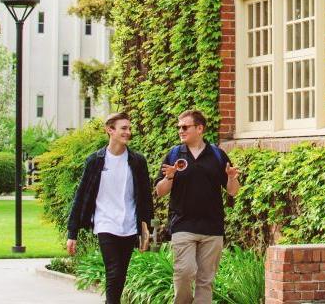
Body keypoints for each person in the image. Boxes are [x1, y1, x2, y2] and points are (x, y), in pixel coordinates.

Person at [66, 112, 154, 304]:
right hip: (105, 223)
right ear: (110, 130)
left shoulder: (137, 161)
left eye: (129, 128)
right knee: (113, 272)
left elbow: (146, 198)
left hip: (129, 224)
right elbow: (81, 197)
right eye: (123, 128)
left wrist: (147, 231)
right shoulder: (95, 160)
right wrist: (72, 233)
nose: (128, 132)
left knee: (120, 274)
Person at [155, 109, 240, 304]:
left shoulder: (217, 155)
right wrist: (169, 177)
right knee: (184, 272)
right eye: (179, 127)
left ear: (199, 128)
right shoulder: (175, 154)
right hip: (182, 225)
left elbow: (233, 191)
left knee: (205, 280)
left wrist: (231, 177)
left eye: (185, 127)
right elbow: (160, 191)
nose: (180, 131)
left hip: (212, 227)